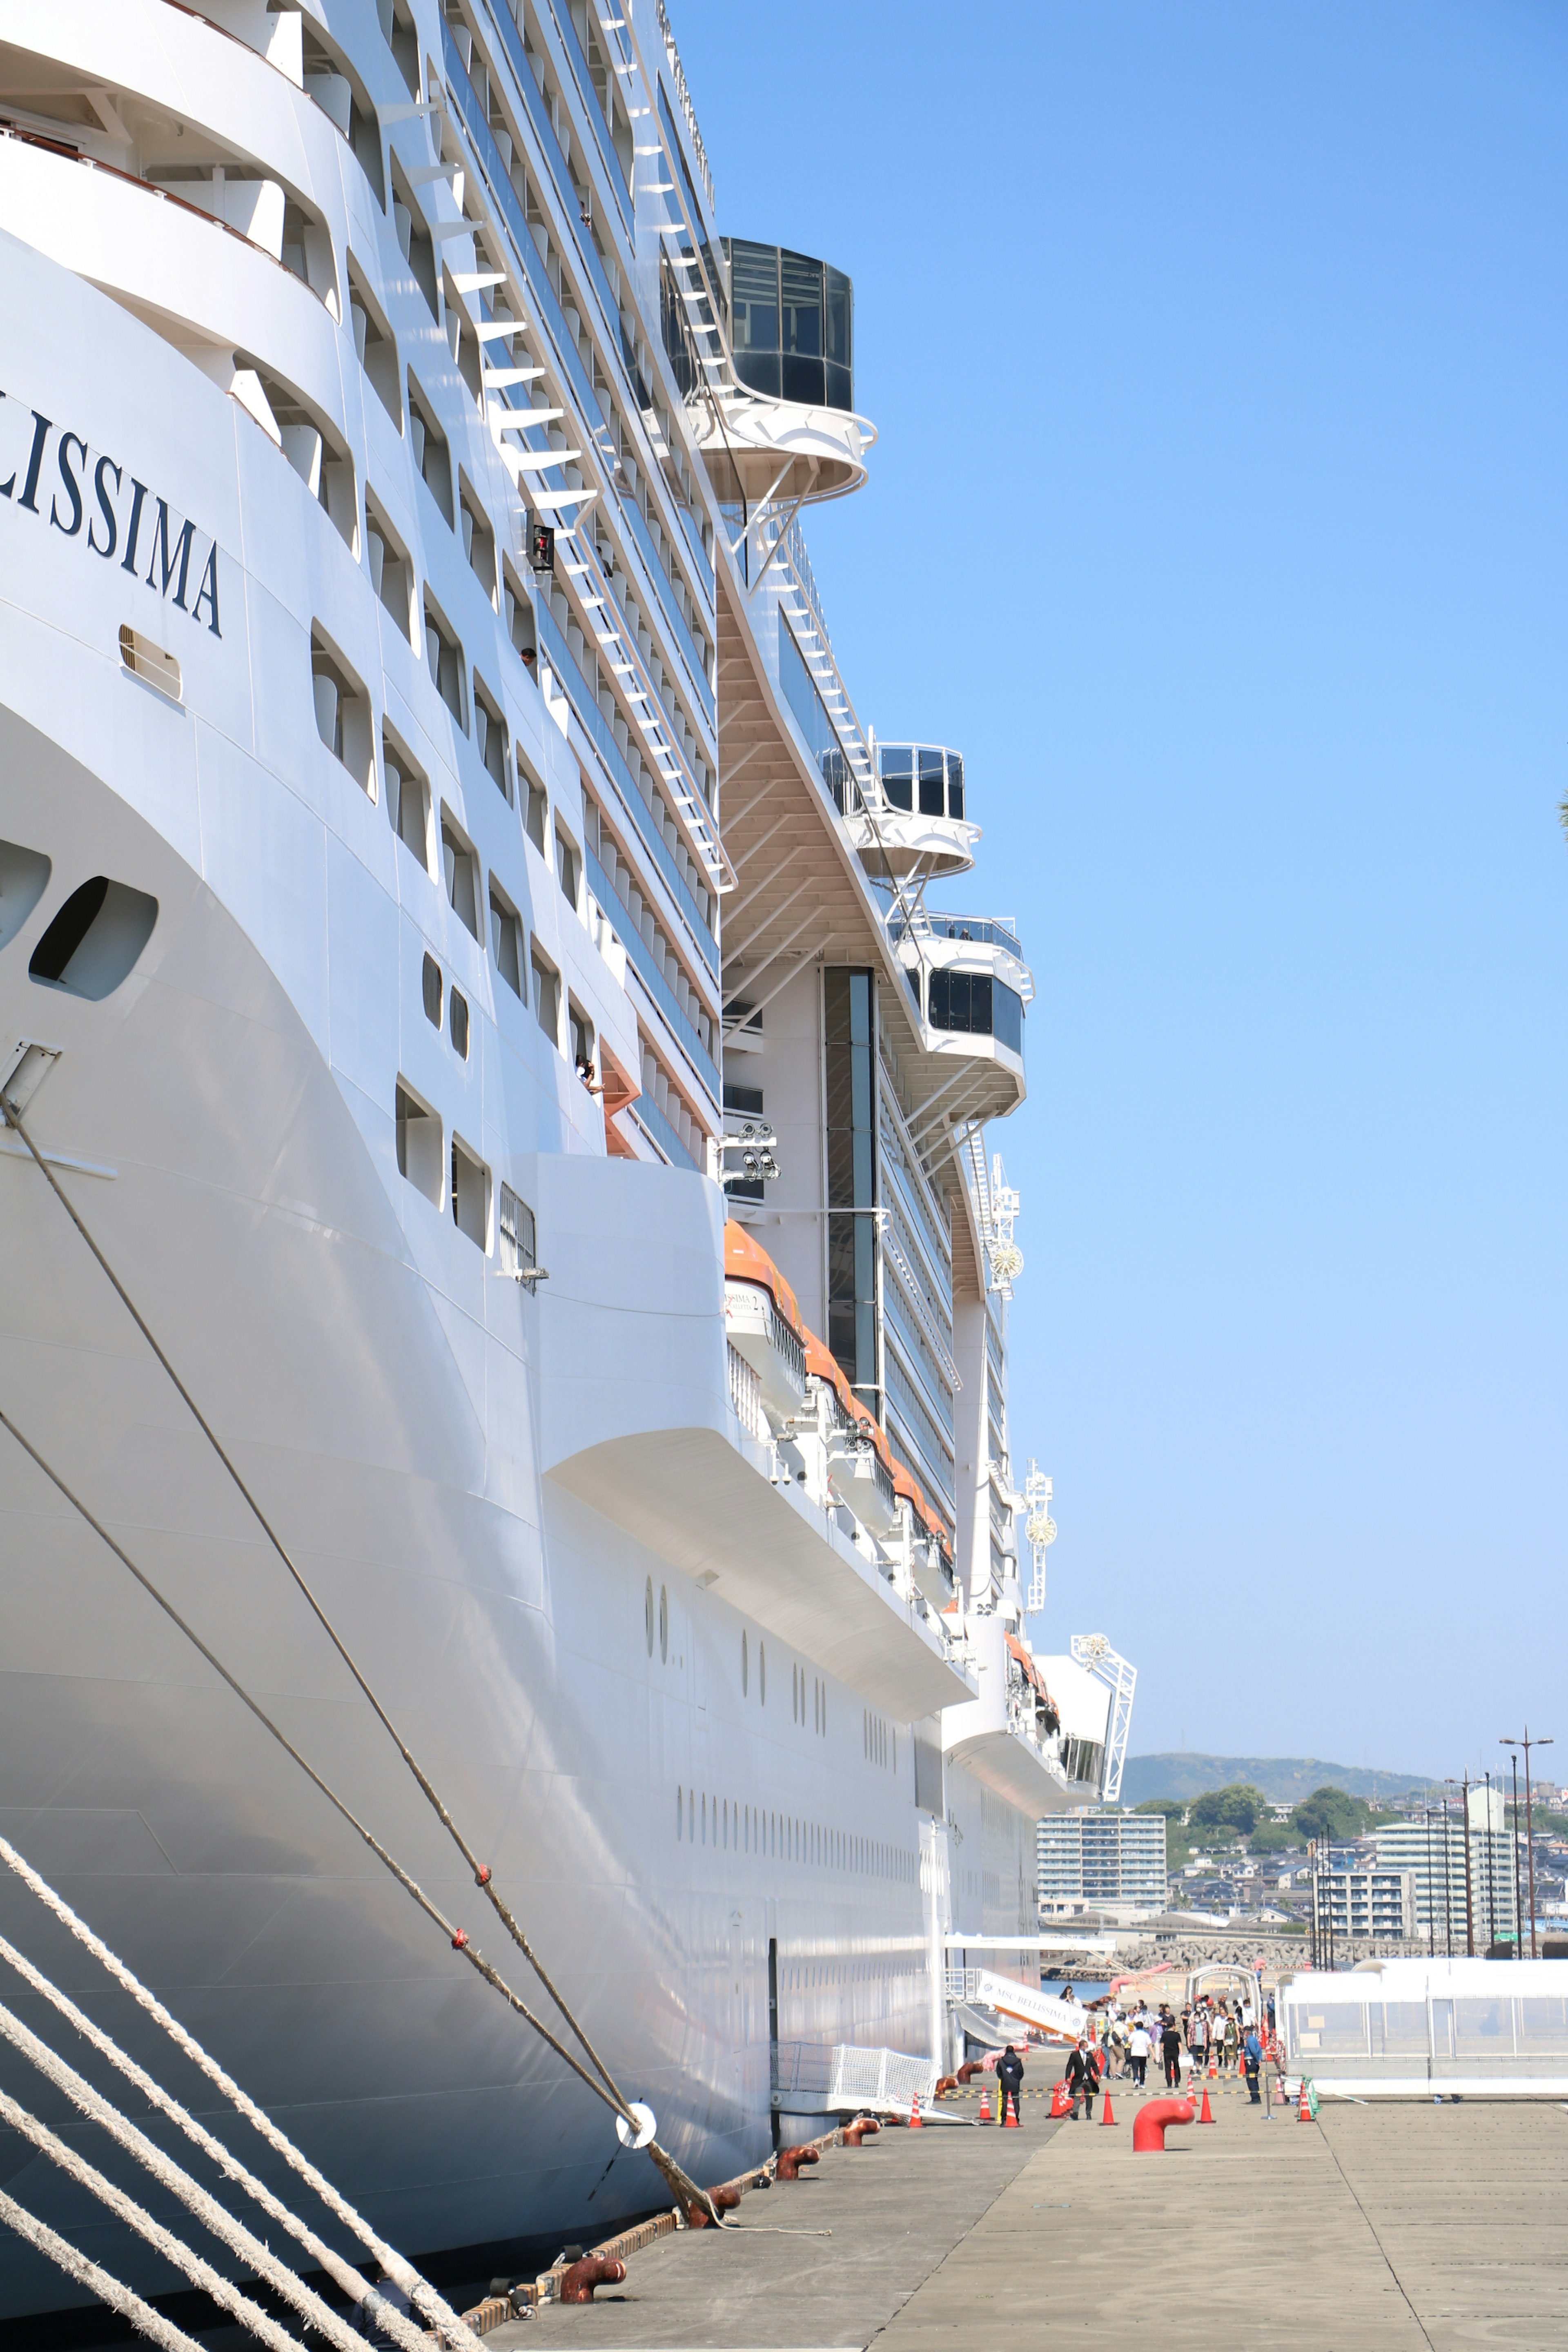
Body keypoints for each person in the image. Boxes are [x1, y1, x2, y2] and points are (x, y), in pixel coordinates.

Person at [352, 2269, 412, 2347]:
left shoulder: (366, 2293)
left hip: (373, 2348)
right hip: (403, 2349)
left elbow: (355, 2329)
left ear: (378, 2281)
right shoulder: (407, 2294)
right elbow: (418, 2326)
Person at [1065, 2038, 1100, 2121]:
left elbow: (1094, 2065)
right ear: (1081, 2047)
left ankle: (1089, 2114)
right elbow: (1070, 2066)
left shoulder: (1089, 2055)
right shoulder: (1075, 2055)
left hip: (1088, 2079)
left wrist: (1097, 2074)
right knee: (1077, 2096)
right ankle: (1076, 2114)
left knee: (1089, 2097)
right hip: (1079, 2079)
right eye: (1086, 2046)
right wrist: (1068, 2077)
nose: (1087, 2048)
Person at [995, 2042, 1025, 2126]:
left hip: (1005, 2084)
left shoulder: (1001, 2061)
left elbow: (999, 2073)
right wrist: (1017, 2080)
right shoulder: (1018, 2061)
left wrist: (1003, 2078)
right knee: (1015, 2102)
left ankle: (1004, 2120)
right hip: (1015, 2085)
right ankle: (1016, 2119)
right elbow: (1021, 2073)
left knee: (1005, 2102)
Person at [1161, 2012, 1183, 2089]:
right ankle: (1177, 2082)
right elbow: (1179, 2044)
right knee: (1176, 2067)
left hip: (1167, 2052)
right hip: (1175, 2052)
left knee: (1168, 2068)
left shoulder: (1164, 2034)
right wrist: (1181, 2052)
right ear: (1173, 2026)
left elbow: (1162, 2045)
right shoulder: (1177, 2035)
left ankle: (1169, 2083)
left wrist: (1160, 2053)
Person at [1243, 2024, 1263, 2105]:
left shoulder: (1250, 2040)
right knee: (1254, 2080)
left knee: (1251, 2081)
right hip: (1254, 2062)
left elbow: (1254, 2051)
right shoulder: (1254, 2039)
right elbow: (1260, 2050)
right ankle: (1257, 2098)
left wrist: (1258, 2060)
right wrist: (1260, 2059)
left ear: (1247, 2033)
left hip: (1250, 2061)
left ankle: (1255, 2099)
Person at [1128, 2016, 1150, 2088]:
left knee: (1135, 2068)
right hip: (1143, 2053)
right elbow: (1149, 2044)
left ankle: (1136, 2080)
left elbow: (1129, 2042)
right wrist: (1153, 2054)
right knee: (1142, 2068)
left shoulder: (1133, 2034)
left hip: (1135, 2053)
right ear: (1143, 2027)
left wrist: (1134, 2045)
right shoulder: (1146, 2034)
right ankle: (1142, 2083)